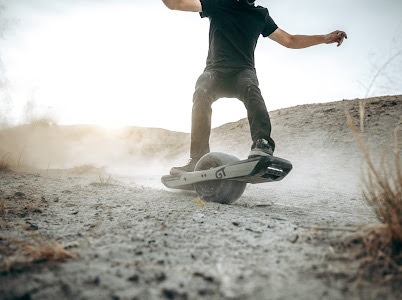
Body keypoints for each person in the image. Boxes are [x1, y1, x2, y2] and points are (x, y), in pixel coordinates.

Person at [162, 0, 347, 174]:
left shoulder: (259, 15)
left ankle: (262, 144)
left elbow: (289, 40)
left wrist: (325, 38)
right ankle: (198, 159)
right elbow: (177, 3)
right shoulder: (217, 2)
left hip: (242, 71)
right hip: (215, 71)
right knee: (202, 90)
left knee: (251, 88)